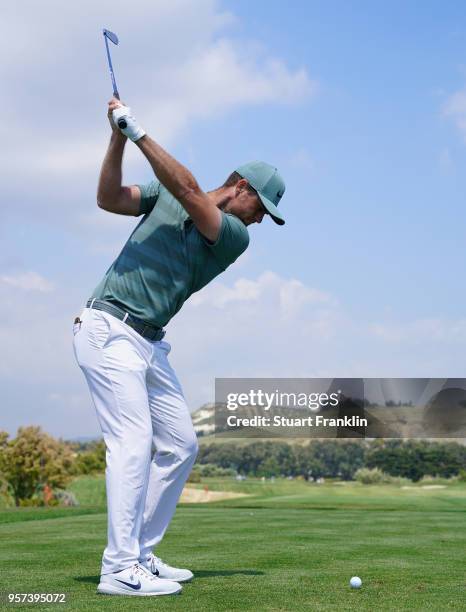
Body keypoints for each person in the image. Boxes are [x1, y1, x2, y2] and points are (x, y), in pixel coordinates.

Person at [72, 98, 286, 597]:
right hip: (108, 327)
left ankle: (140, 555)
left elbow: (189, 190)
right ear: (242, 187)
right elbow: (108, 198)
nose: (260, 221)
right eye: (262, 208)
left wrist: (139, 130)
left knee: (180, 445)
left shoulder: (232, 235)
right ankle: (119, 568)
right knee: (132, 443)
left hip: (148, 342)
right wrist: (117, 139)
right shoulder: (163, 196)